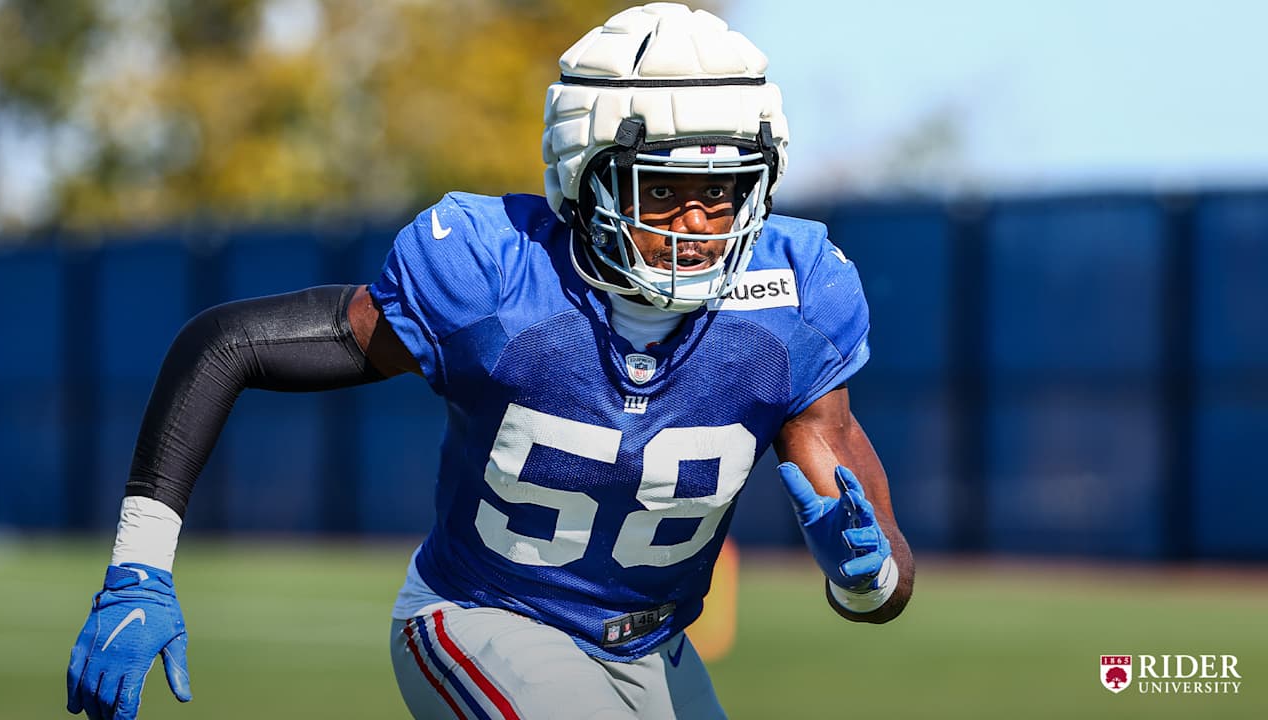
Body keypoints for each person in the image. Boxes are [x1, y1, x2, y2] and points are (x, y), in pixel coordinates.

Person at [65, 4, 915, 719]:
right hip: (481, 618)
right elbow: (228, 345)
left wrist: (867, 578)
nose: (697, 224)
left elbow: (890, 576)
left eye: (722, 191)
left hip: (656, 645)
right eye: (661, 189)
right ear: (588, 176)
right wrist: (138, 567)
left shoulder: (796, 300)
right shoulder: (495, 276)